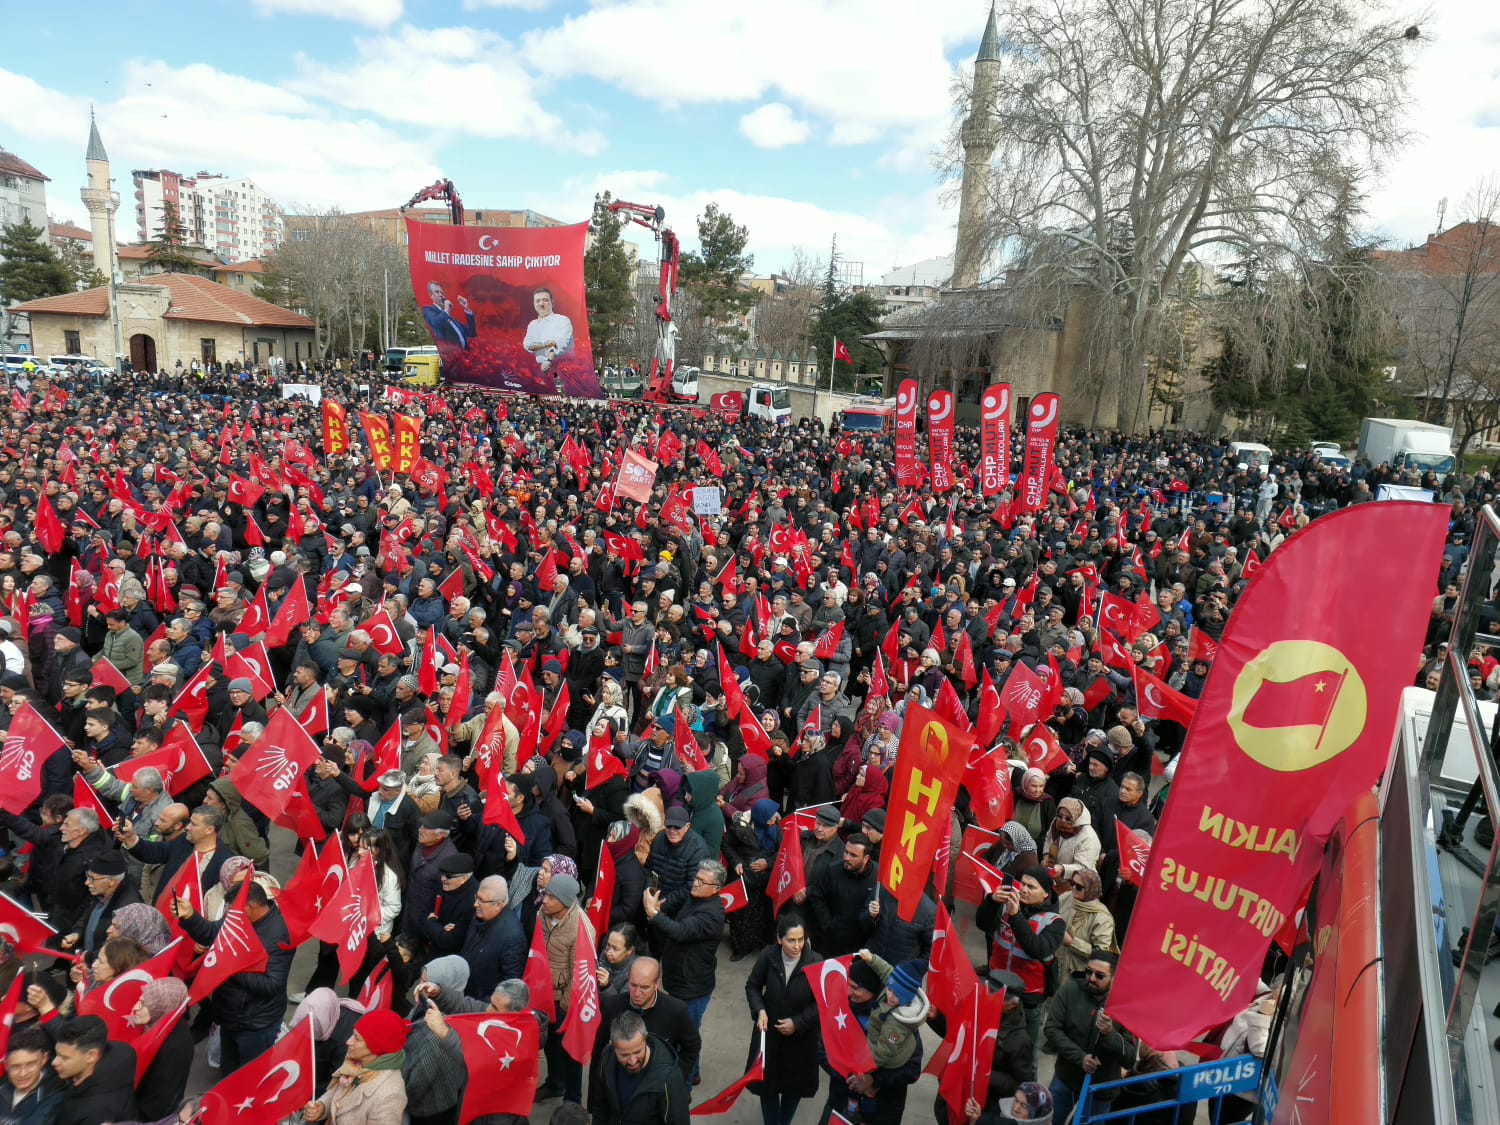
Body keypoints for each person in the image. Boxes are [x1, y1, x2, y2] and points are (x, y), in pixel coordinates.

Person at [176, 879, 292, 1073]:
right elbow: (212, 933)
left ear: (251, 907)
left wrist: (230, 968)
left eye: (231, 909)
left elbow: (272, 984)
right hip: (229, 1015)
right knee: (229, 1070)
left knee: (249, 1076)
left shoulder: (279, 935)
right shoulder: (238, 917)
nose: (228, 914)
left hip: (255, 1024)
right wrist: (190, 917)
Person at [643, 859, 726, 1084]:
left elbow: (680, 931)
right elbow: (676, 913)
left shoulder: (711, 915)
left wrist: (653, 914)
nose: (695, 883)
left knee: (684, 1037)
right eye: (696, 878)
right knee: (687, 1032)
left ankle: (684, 1085)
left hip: (692, 987)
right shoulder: (696, 897)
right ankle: (694, 1073)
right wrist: (660, 908)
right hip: (680, 979)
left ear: (715, 888)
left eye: (702, 881)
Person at [590, 957, 700, 1115]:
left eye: (644, 987)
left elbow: (693, 1045)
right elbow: (599, 1052)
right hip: (622, 1088)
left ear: (657, 984)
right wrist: (594, 1100)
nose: (637, 993)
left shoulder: (676, 1010)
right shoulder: (612, 1006)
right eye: (633, 985)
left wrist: (676, 1077)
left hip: (657, 1093)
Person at [744, 911, 823, 1125]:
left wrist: (798, 1023)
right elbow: (753, 986)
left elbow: (821, 1003)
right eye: (791, 940)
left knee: (793, 1088)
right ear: (779, 939)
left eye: (800, 939)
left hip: (801, 1041)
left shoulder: (816, 962)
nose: (797, 946)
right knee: (767, 1086)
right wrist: (760, 1010)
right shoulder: (768, 957)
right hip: (769, 1035)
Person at [1043, 952, 1137, 1123]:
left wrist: (1110, 1035)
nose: (1091, 978)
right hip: (1066, 1079)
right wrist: (1080, 1058)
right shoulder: (1071, 990)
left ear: (1114, 978)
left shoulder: (1126, 1005)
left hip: (1100, 1089)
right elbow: (1051, 1028)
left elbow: (1129, 1059)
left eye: (1099, 975)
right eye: (1088, 972)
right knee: (1052, 1120)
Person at [301, 1008, 410, 1124]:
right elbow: (338, 1091)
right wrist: (322, 1108)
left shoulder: (390, 1095)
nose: (348, 1042)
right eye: (353, 1034)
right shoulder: (357, 1059)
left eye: (357, 1038)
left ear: (376, 1047)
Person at [594, 1011, 690, 1125]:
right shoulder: (607, 1057)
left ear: (645, 1039)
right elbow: (600, 1105)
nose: (632, 1061)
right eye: (624, 1055)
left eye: (637, 1052)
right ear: (612, 1045)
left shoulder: (669, 1078)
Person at [50, 1016, 137, 1125]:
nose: (54, 1062)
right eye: (57, 1054)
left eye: (64, 1057)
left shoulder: (98, 1115)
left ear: (91, 1055)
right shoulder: (115, 1067)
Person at [130, 977, 193, 1120]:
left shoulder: (172, 1048)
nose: (135, 1008)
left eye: (144, 1004)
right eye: (139, 1001)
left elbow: (159, 1101)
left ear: (163, 1007)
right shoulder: (168, 1027)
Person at [0, 1025, 64, 1125]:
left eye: (30, 1064)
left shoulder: (56, 1094)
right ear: (6, 1065)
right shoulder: (2, 1089)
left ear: (44, 1059)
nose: (23, 1073)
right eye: (15, 1067)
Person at [523, 288, 574, 373]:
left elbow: (559, 344)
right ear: (534, 305)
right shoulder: (532, 324)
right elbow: (528, 345)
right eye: (538, 301)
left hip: (564, 369)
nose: (541, 304)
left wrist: (548, 361)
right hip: (540, 370)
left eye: (545, 300)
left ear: (552, 303)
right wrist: (544, 345)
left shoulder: (562, 320)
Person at [422, 281, 476, 351]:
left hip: (465, 354)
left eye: (442, 293)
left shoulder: (449, 317)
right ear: (431, 296)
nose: (441, 295)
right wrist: (446, 311)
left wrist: (467, 309)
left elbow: (471, 333)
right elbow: (436, 324)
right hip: (450, 355)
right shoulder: (428, 310)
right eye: (437, 292)